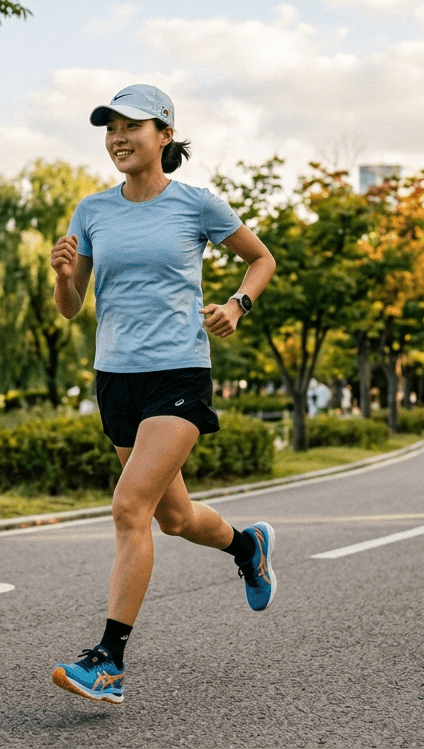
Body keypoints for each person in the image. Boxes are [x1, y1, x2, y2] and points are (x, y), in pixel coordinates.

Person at [47, 84, 278, 705]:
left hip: (178, 373)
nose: (118, 138)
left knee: (129, 508)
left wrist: (237, 304)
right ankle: (247, 545)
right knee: (173, 519)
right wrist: (64, 277)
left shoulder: (196, 204)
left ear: (165, 134)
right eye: (110, 128)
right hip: (116, 378)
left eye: (132, 126)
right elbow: (71, 308)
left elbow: (261, 259)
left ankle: (109, 662)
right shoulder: (91, 211)